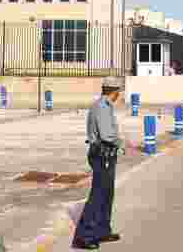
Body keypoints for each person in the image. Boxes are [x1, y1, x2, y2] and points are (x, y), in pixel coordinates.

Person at [72, 77, 126, 249]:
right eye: (119, 91)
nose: (119, 95)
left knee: (107, 195)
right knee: (97, 196)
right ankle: (84, 236)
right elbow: (106, 135)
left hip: (106, 156)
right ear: (114, 92)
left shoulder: (104, 106)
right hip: (102, 156)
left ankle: (102, 231)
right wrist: (121, 143)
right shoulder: (102, 107)